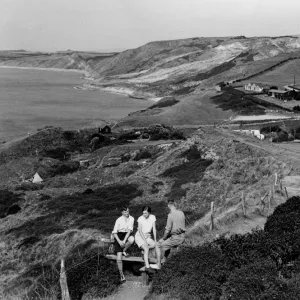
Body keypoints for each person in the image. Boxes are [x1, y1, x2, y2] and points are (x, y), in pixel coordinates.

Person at [154, 199, 186, 269]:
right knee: (166, 245)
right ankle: (166, 263)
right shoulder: (181, 213)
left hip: (175, 238)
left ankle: (158, 265)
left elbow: (167, 230)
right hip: (182, 237)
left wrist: (163, 238)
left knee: (158, 245)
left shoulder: (170, 215)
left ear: (169, 205)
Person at [112, 206, 135, 282]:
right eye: (125, 212)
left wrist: (124, 241)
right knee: (119, 258)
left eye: (128, 211)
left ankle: (123, 250)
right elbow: (115, 233)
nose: (127, 213)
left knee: (132, 239)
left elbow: (129, 231)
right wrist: (119, 241)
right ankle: (121, 275)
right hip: (118, 236)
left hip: (126, 235)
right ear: (122, 212)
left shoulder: (131, 218)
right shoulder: (118, 220)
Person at [135, 206, 158, 274]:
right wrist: (145, 241)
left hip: (147, 236)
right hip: (139, 236)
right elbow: (140, 231)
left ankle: (144, 252)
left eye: (145, 213)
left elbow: (154, 228)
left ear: (149, 212)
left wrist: (155, 239)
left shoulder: (152, 217)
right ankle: (147, 267)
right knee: (146, 248)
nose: (144, 214)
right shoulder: (140, 219)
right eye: (143, 213)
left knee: (154, 244)